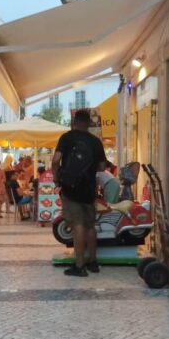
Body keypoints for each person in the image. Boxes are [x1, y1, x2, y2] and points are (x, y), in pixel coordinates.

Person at [53, 109, 107, 277]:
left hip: (71, 188)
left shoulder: (66, 138)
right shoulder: (96, 142)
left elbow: (55, 160)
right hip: (89, 189)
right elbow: (102, 167)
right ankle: (93, 262)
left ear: (75, 122)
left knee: (77, 225)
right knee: (90, 226)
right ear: (89, 123)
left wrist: (56, 178)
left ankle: (79, 266)